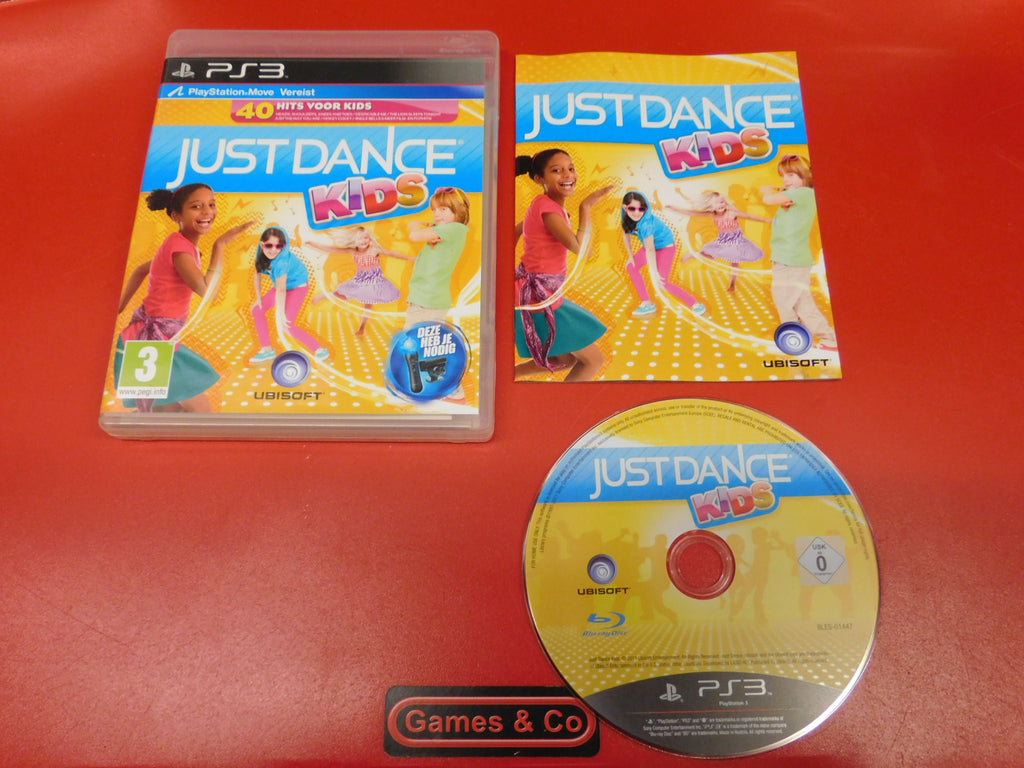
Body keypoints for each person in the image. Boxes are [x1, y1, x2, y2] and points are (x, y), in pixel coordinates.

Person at [115, 183, 251, 412]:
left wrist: (118, 308)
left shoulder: (180, 245)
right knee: (198, 411)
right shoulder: (180, 249)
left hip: (155, 338)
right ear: (177, 216)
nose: (207, 211)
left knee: (165, 413)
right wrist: (220, 246)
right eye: (196, 207)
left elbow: (141, 270)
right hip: (150, 340)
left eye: (211, 204)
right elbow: (209, 294)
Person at [514, 149, 612, 381]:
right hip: (539, 295)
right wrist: (586, 207)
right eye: (557, 170)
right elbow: (583, 250)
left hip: (544, 291)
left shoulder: (545, 206)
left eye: (570, 168)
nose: (567, 175)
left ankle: (507, 376)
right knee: (593, 360)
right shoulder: (547, 208)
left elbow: (517, 230)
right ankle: (559, 404)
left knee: (564, 360)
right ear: (540, 179)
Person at [759, 154, 837, 350]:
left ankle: (793, 337)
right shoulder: (798, 195)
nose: (785, 180)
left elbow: (768, 199)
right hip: (789, 258)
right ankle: (829, 339)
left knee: (783, 301)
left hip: (791, 260)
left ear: (804, 174)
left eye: (791, 175)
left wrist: (766, 191)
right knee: (803, 303)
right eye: (783, 176)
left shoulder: (804, 193)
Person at [309, 225, 412, 336]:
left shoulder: (374, 249)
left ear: (370, 239)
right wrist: (315, 245)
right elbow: (333, 250)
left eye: (366, 238)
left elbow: (393, 254)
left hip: (375, 282)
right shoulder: (353, 251)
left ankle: (362, 327)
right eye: (360, 238)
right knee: (344, 296)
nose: (364, 241)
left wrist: (409, 258)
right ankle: (326, 295)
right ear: (353, 241)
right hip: (360, 281)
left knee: (368, 306)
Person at [619, 190, 707, 317]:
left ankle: (696, 304)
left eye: (641, 209)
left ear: (645, 209)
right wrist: (630, 256)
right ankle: (647, 303)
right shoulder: (626, 219)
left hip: (665, 247)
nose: (637, 212)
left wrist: (654, 272)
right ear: (625, 208)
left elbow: (650, 249)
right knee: (631, 266)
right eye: (632, 208)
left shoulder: (646, 224)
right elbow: (626, 235)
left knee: (662, 283)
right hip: (650, 247)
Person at [249, 226, 329, 363]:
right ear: (262, 245)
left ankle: (319, 349)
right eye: (269, 245)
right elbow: (257, 274)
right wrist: (258, 298)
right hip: (282, 286)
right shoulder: (261, 254)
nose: (273, 250)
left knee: (287, 326)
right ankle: (267, 350)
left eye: (279, 246)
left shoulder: (281, 262)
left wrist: (281, 314)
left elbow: (281, 290)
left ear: (284, 246)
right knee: (257, 310)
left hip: (297, 287)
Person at [668, 190, 770, 292]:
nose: (721, 205)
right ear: (711, 206)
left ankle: (732, 284)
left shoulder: (731, 213)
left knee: (735, 263)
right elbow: (694, 213)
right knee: (712, 255)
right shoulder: (713, 214)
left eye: (722, 202)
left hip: (737, 241)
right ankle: (695, 254)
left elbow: (749, 216)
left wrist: (766, 220)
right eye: (717, 203)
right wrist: (677, 209)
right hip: (723, 240)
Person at [404, 186, 472, 328]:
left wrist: (416, 226)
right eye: (434, 210)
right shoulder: (450, 230)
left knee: (413, 337)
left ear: (458, 210)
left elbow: (414, 235)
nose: (436, 214)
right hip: (428, 297)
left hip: (427, 299)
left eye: (443, 209)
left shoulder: (452, 228)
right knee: (427, 337)